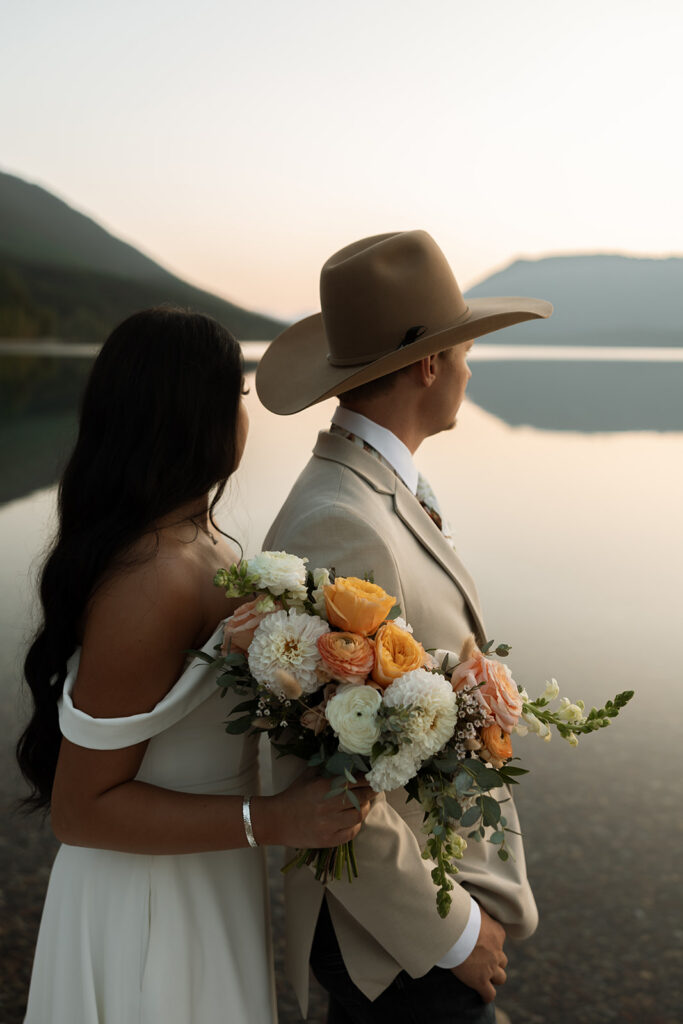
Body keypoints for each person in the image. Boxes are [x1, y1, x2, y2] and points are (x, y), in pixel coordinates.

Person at [16, 307, 373, 1024]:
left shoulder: (205, 542)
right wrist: (271, 819)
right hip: (147, 896)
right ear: (196, 415)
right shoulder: (146, 578)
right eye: (238, 397)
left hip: (207, 869)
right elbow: (79, 811)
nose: (247, 416)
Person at [256, 230, 553, 1024]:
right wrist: (454, 935)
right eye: (460, 349)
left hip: (419, 914)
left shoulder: (378, 489)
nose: (466, 366)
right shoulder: (337, 522)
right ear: (427, 365)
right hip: (392, 944)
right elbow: (316, 780)